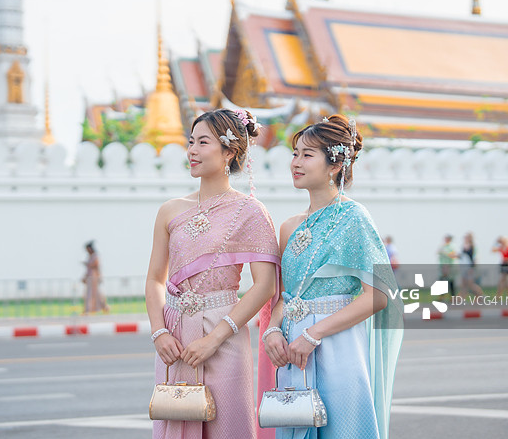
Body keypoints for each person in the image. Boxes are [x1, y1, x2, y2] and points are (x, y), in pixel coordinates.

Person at [262, 114, 402, 439]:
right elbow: (286, 297)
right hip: (292, 349)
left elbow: (377, 295)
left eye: (307, 154)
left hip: (338, 346)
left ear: (335, 165)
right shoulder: (288, 227)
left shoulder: (355, 218)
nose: (295, 162)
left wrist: (314, 334)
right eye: (294, 153)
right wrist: (271, 330)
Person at [146, 109, 279, 439]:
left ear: (229, 151)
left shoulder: (251, 212)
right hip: (176, 336)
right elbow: (154, 280)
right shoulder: (170, 210)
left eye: (202, 142)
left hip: (225, 333)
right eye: (190, 142)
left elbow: (264, 286)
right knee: (175, 417)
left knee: (228, 425)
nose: (191, 150)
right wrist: (159, 333)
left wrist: (216, 337)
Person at [82, 241, 109, 314]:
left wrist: (87, 264)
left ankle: (103, 307)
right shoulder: (89, 256)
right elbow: (88, 270)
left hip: (94, 277)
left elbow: (95, 264)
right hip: (90, 277)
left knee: (95, 294)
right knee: (91, 294)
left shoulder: (95, 256)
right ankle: (88, 309)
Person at [458, 232, 483, 298]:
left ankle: (481, 296)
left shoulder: (473, 247)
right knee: (463, 284)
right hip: (464, 267)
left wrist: (472, 268)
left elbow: (474, 258)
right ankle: (462, 299)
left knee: (471, 284)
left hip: (470, 268)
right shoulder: (463, 246)